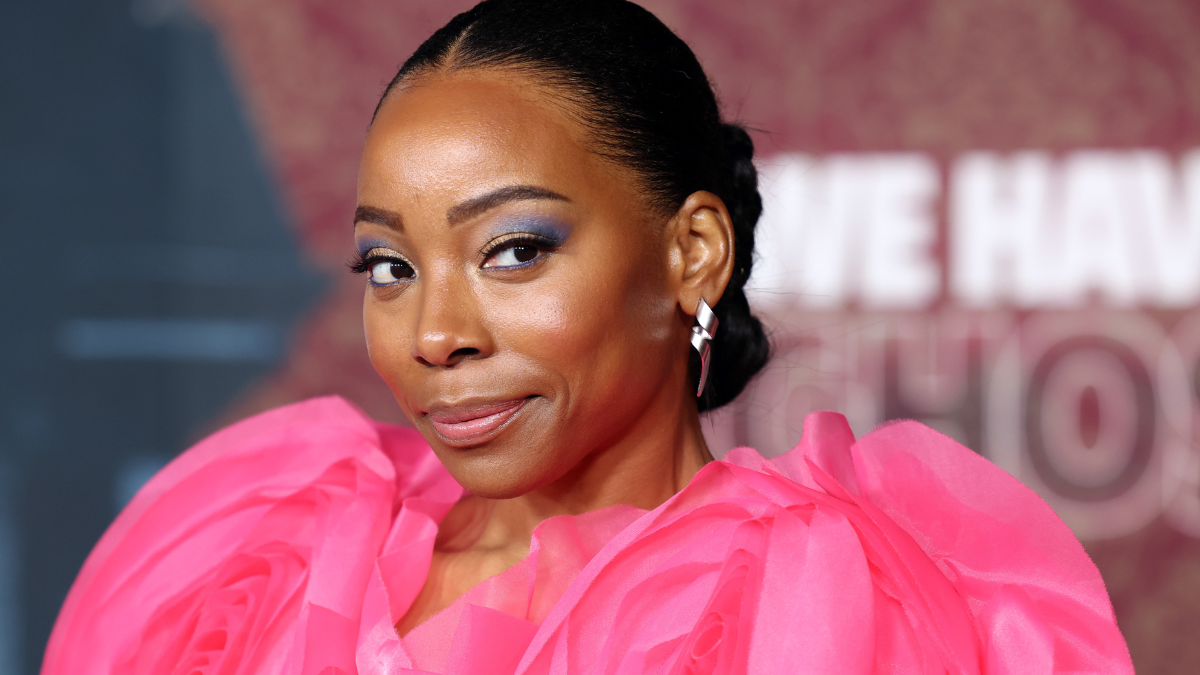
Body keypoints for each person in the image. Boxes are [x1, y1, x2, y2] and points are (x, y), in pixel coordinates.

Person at [41, 1, 1133, 673]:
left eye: (514, 250)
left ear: (692, 250)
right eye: (390, 267)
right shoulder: (249, 559)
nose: (434, 334)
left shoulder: (821, 606)